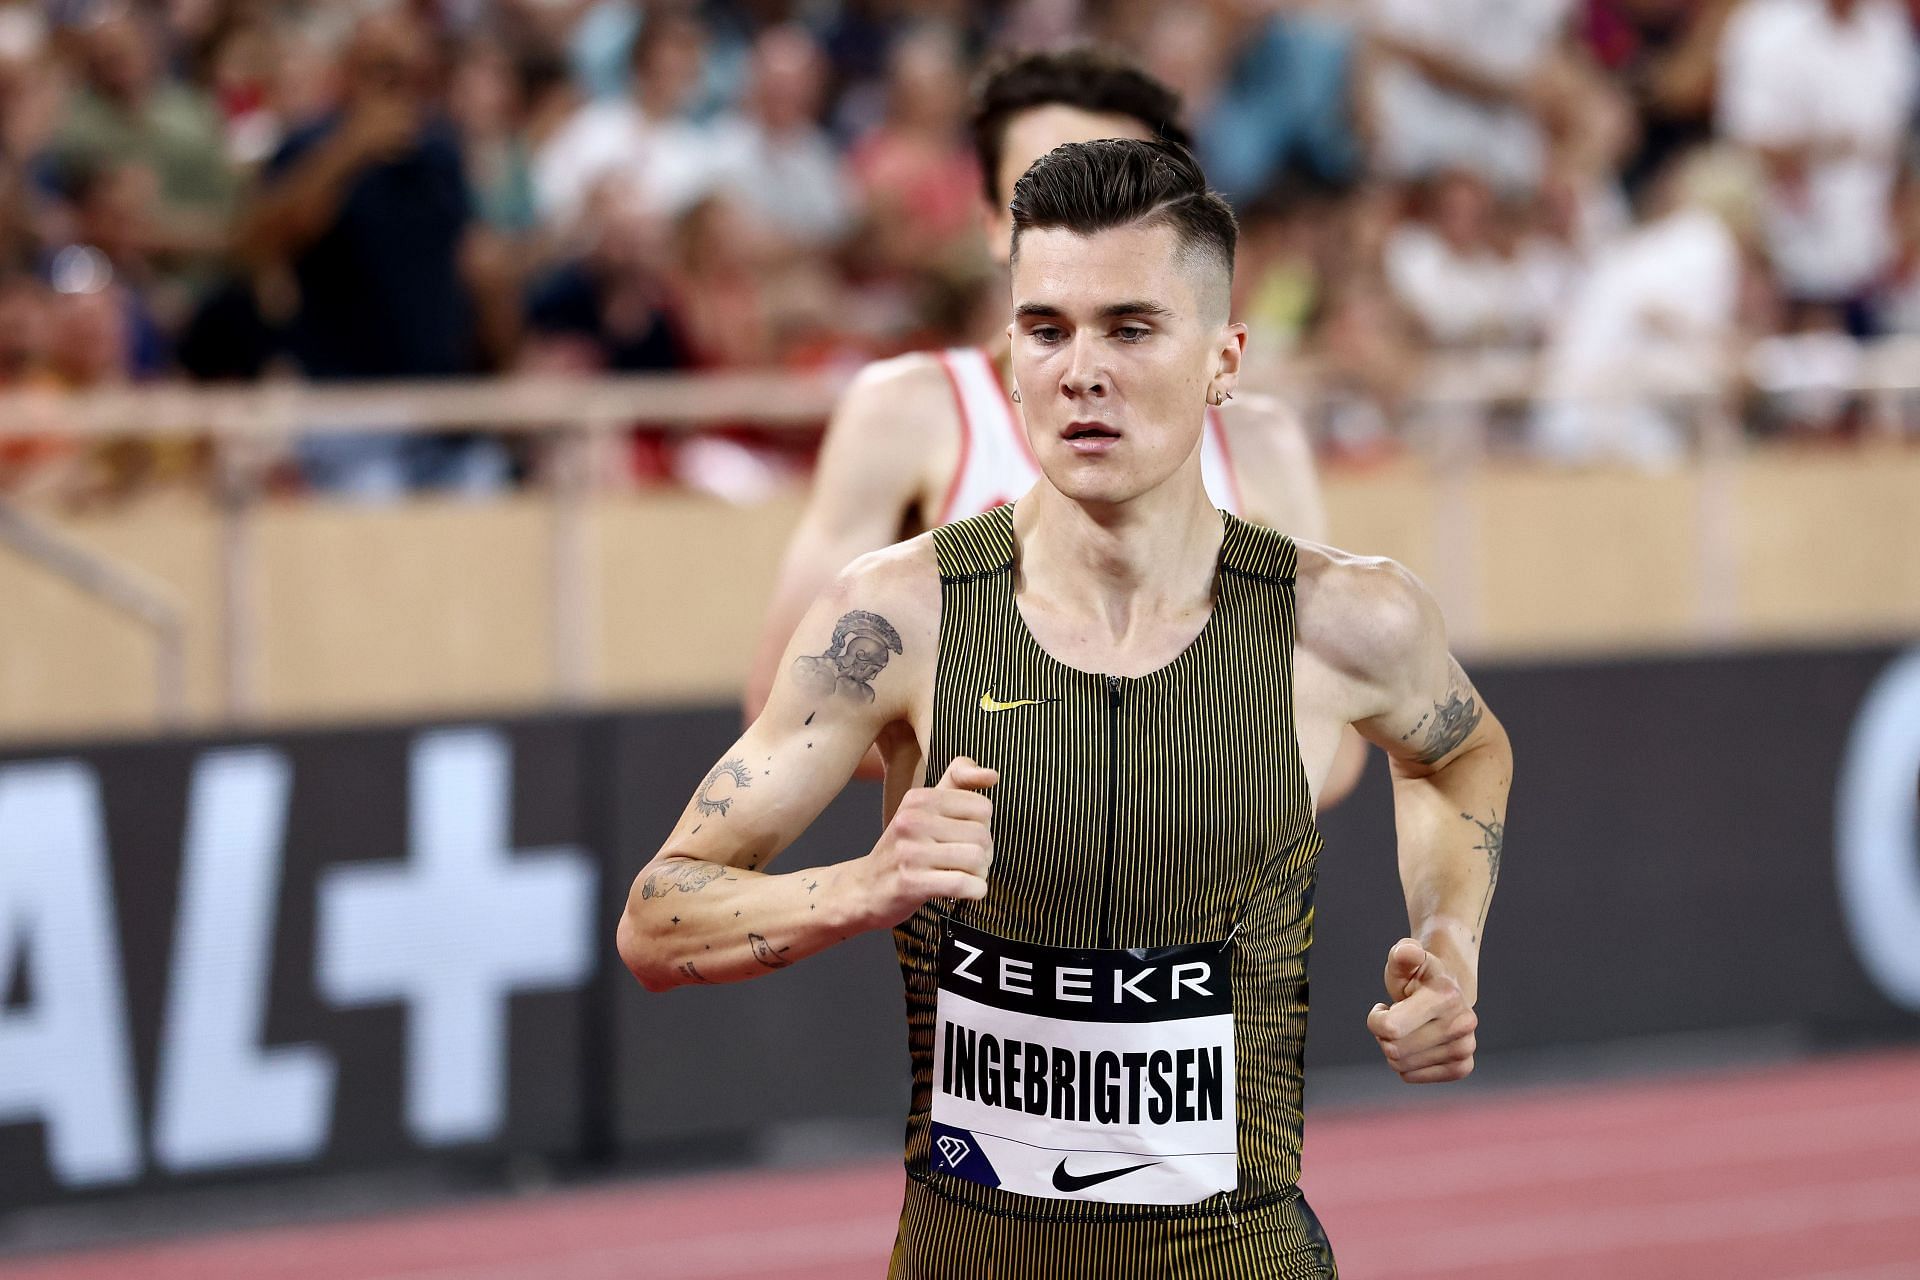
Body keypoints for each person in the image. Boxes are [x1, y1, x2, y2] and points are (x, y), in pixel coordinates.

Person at [620, 138, 1513, 1279]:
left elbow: (1461, 755)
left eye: (1131, 329)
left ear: (1223, 359)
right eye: (1047, 330)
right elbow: (656, 919)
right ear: (1009, 359)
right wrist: (866, 883)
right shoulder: (899, 616)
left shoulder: (1344, 621)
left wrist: (1449, 938)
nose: (1081, 370)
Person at [745, 47, 1361, 805]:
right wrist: (1069, 769)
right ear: (988, 224)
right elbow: (791, 706)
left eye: (1123, 193)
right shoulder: (910, 409)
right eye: (1046, 191)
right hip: (987, 901)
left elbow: (1336, 745)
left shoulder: (1261, 437)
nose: (1086, 222)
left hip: (1209, 911)